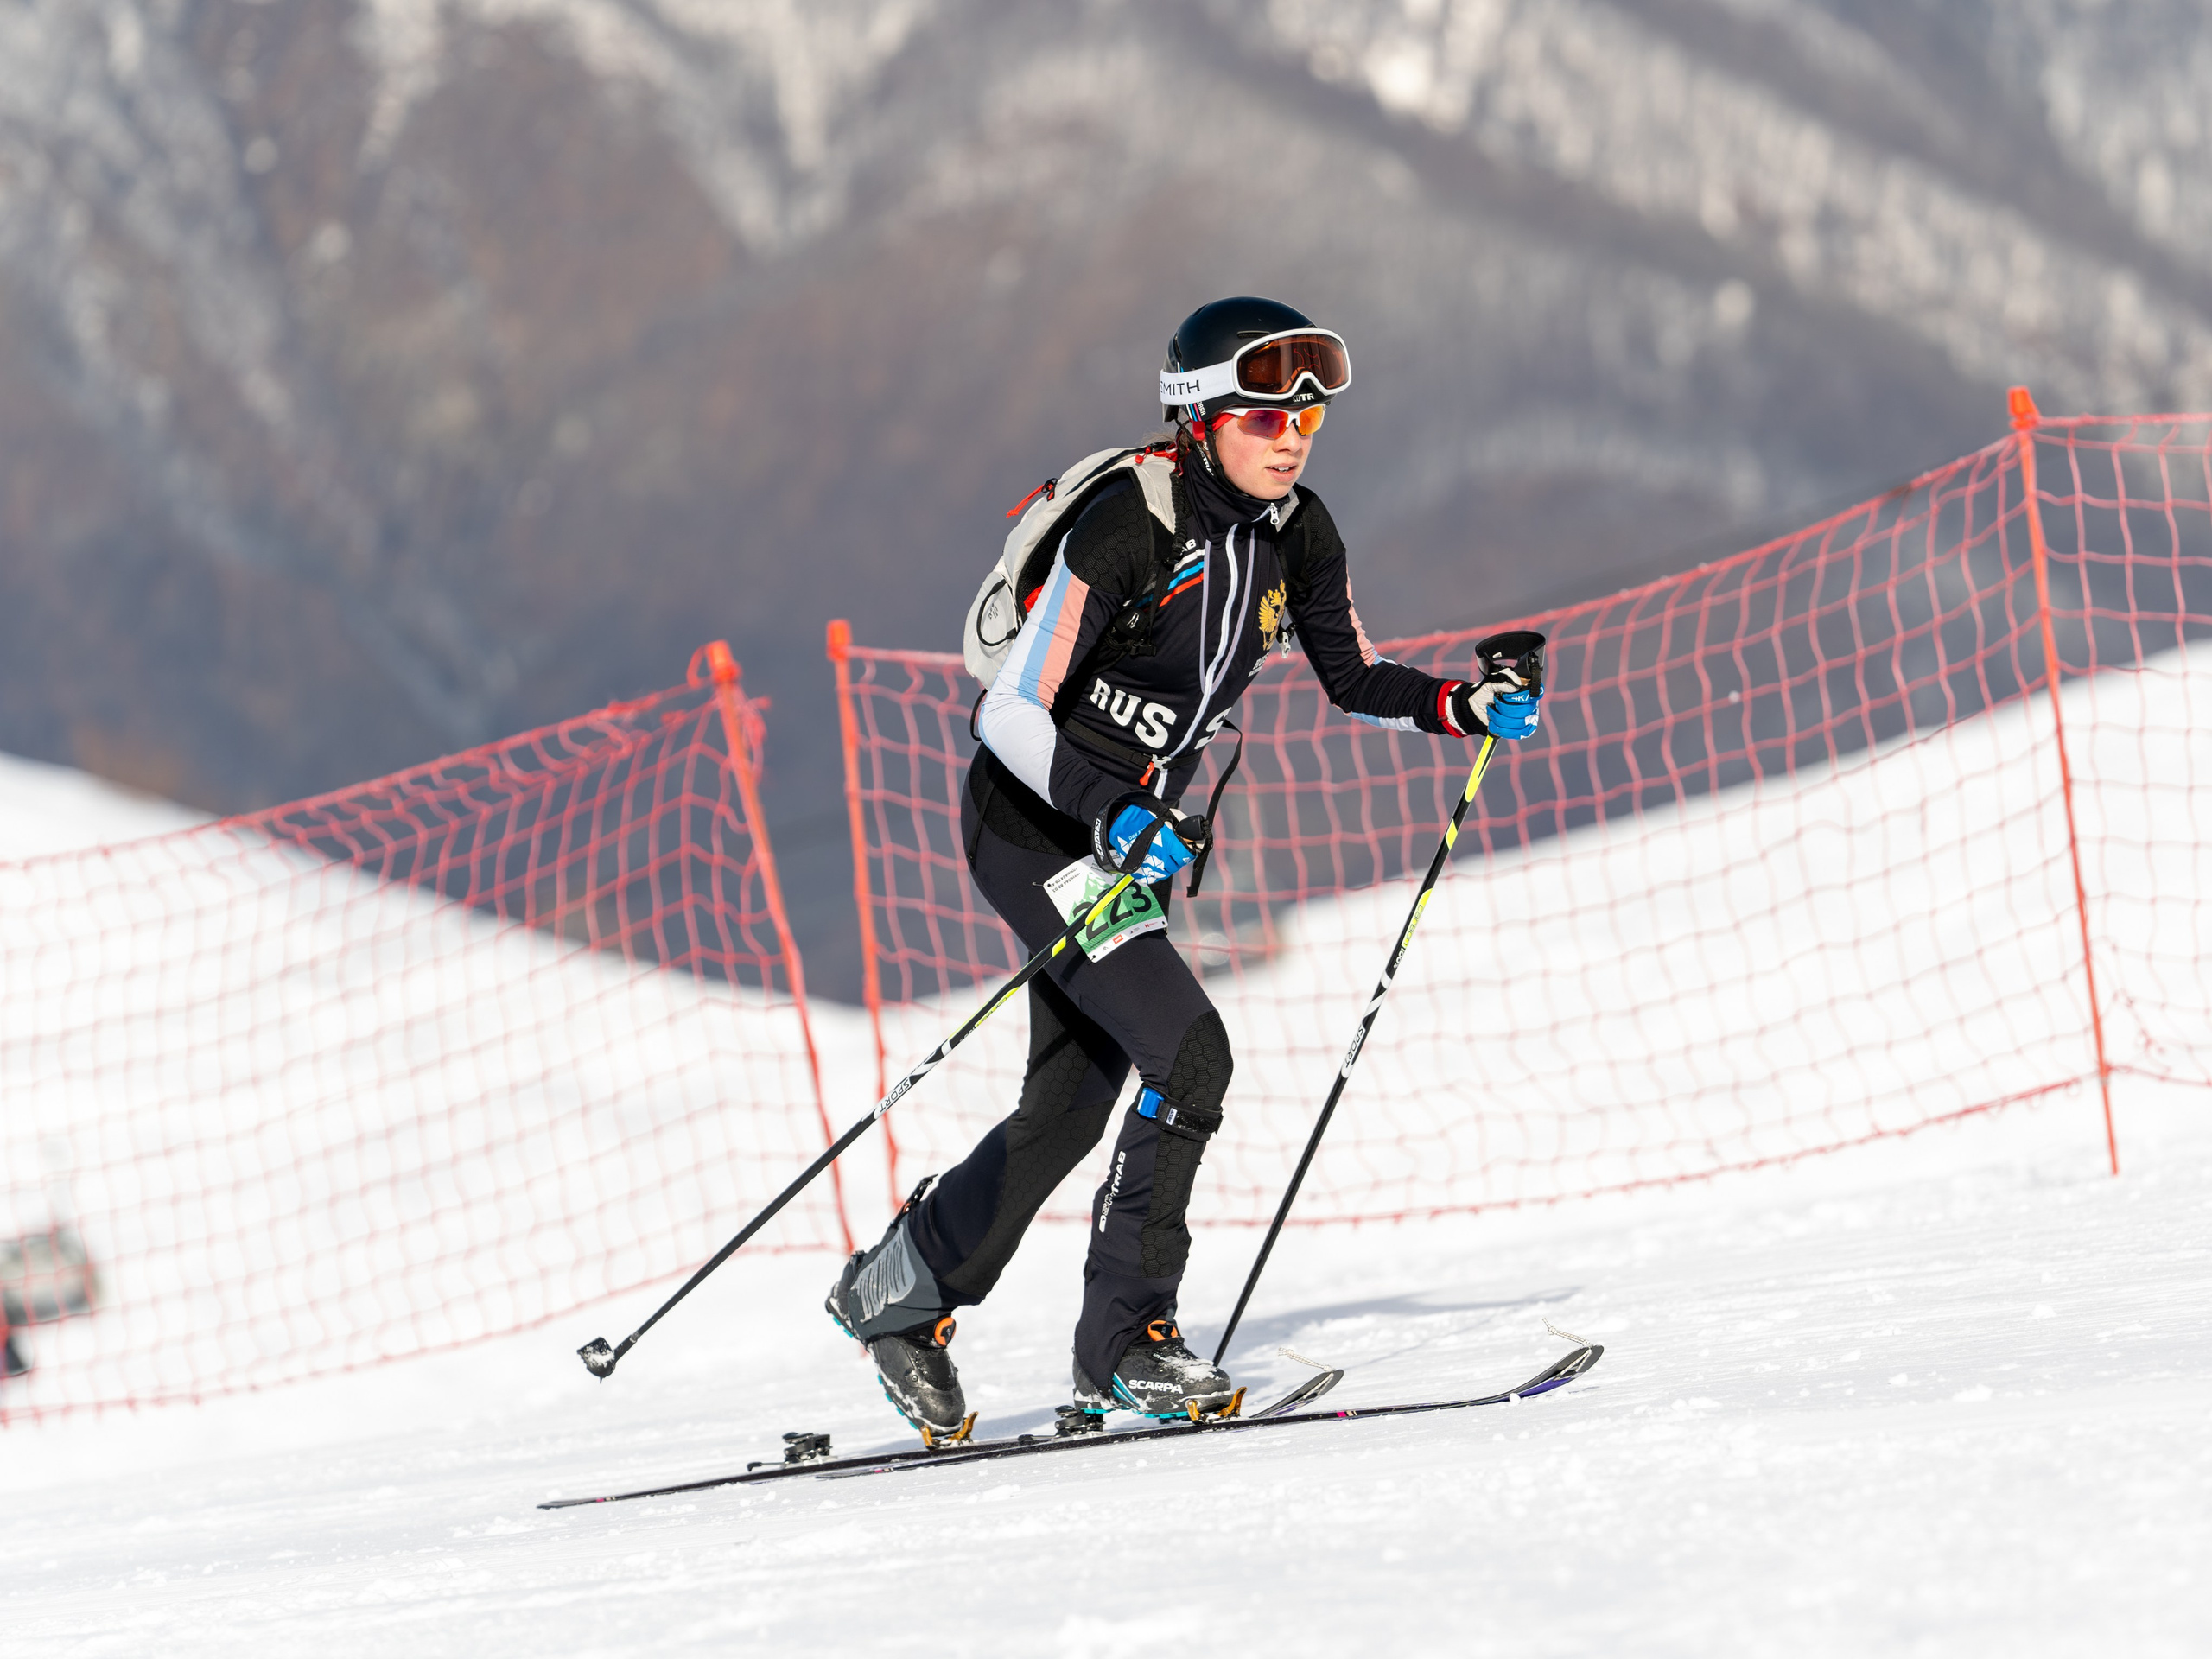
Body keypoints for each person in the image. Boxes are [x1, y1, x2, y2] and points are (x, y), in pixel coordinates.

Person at [825, 296, 1543, 1437]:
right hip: (1036, 824)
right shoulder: (1128, 524)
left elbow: (1355, 679)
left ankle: (898, 1296)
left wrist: (1464, 705)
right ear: (1203, 419)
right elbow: (1007, 712)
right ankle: (1127, 1342)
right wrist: (1106, 811)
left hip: (1126, 841)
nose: (1294, 437)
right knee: (1190, 1050)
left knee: (1069, 1109)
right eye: (1266, 417)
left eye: (1307, 417)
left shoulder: (1298, 534)